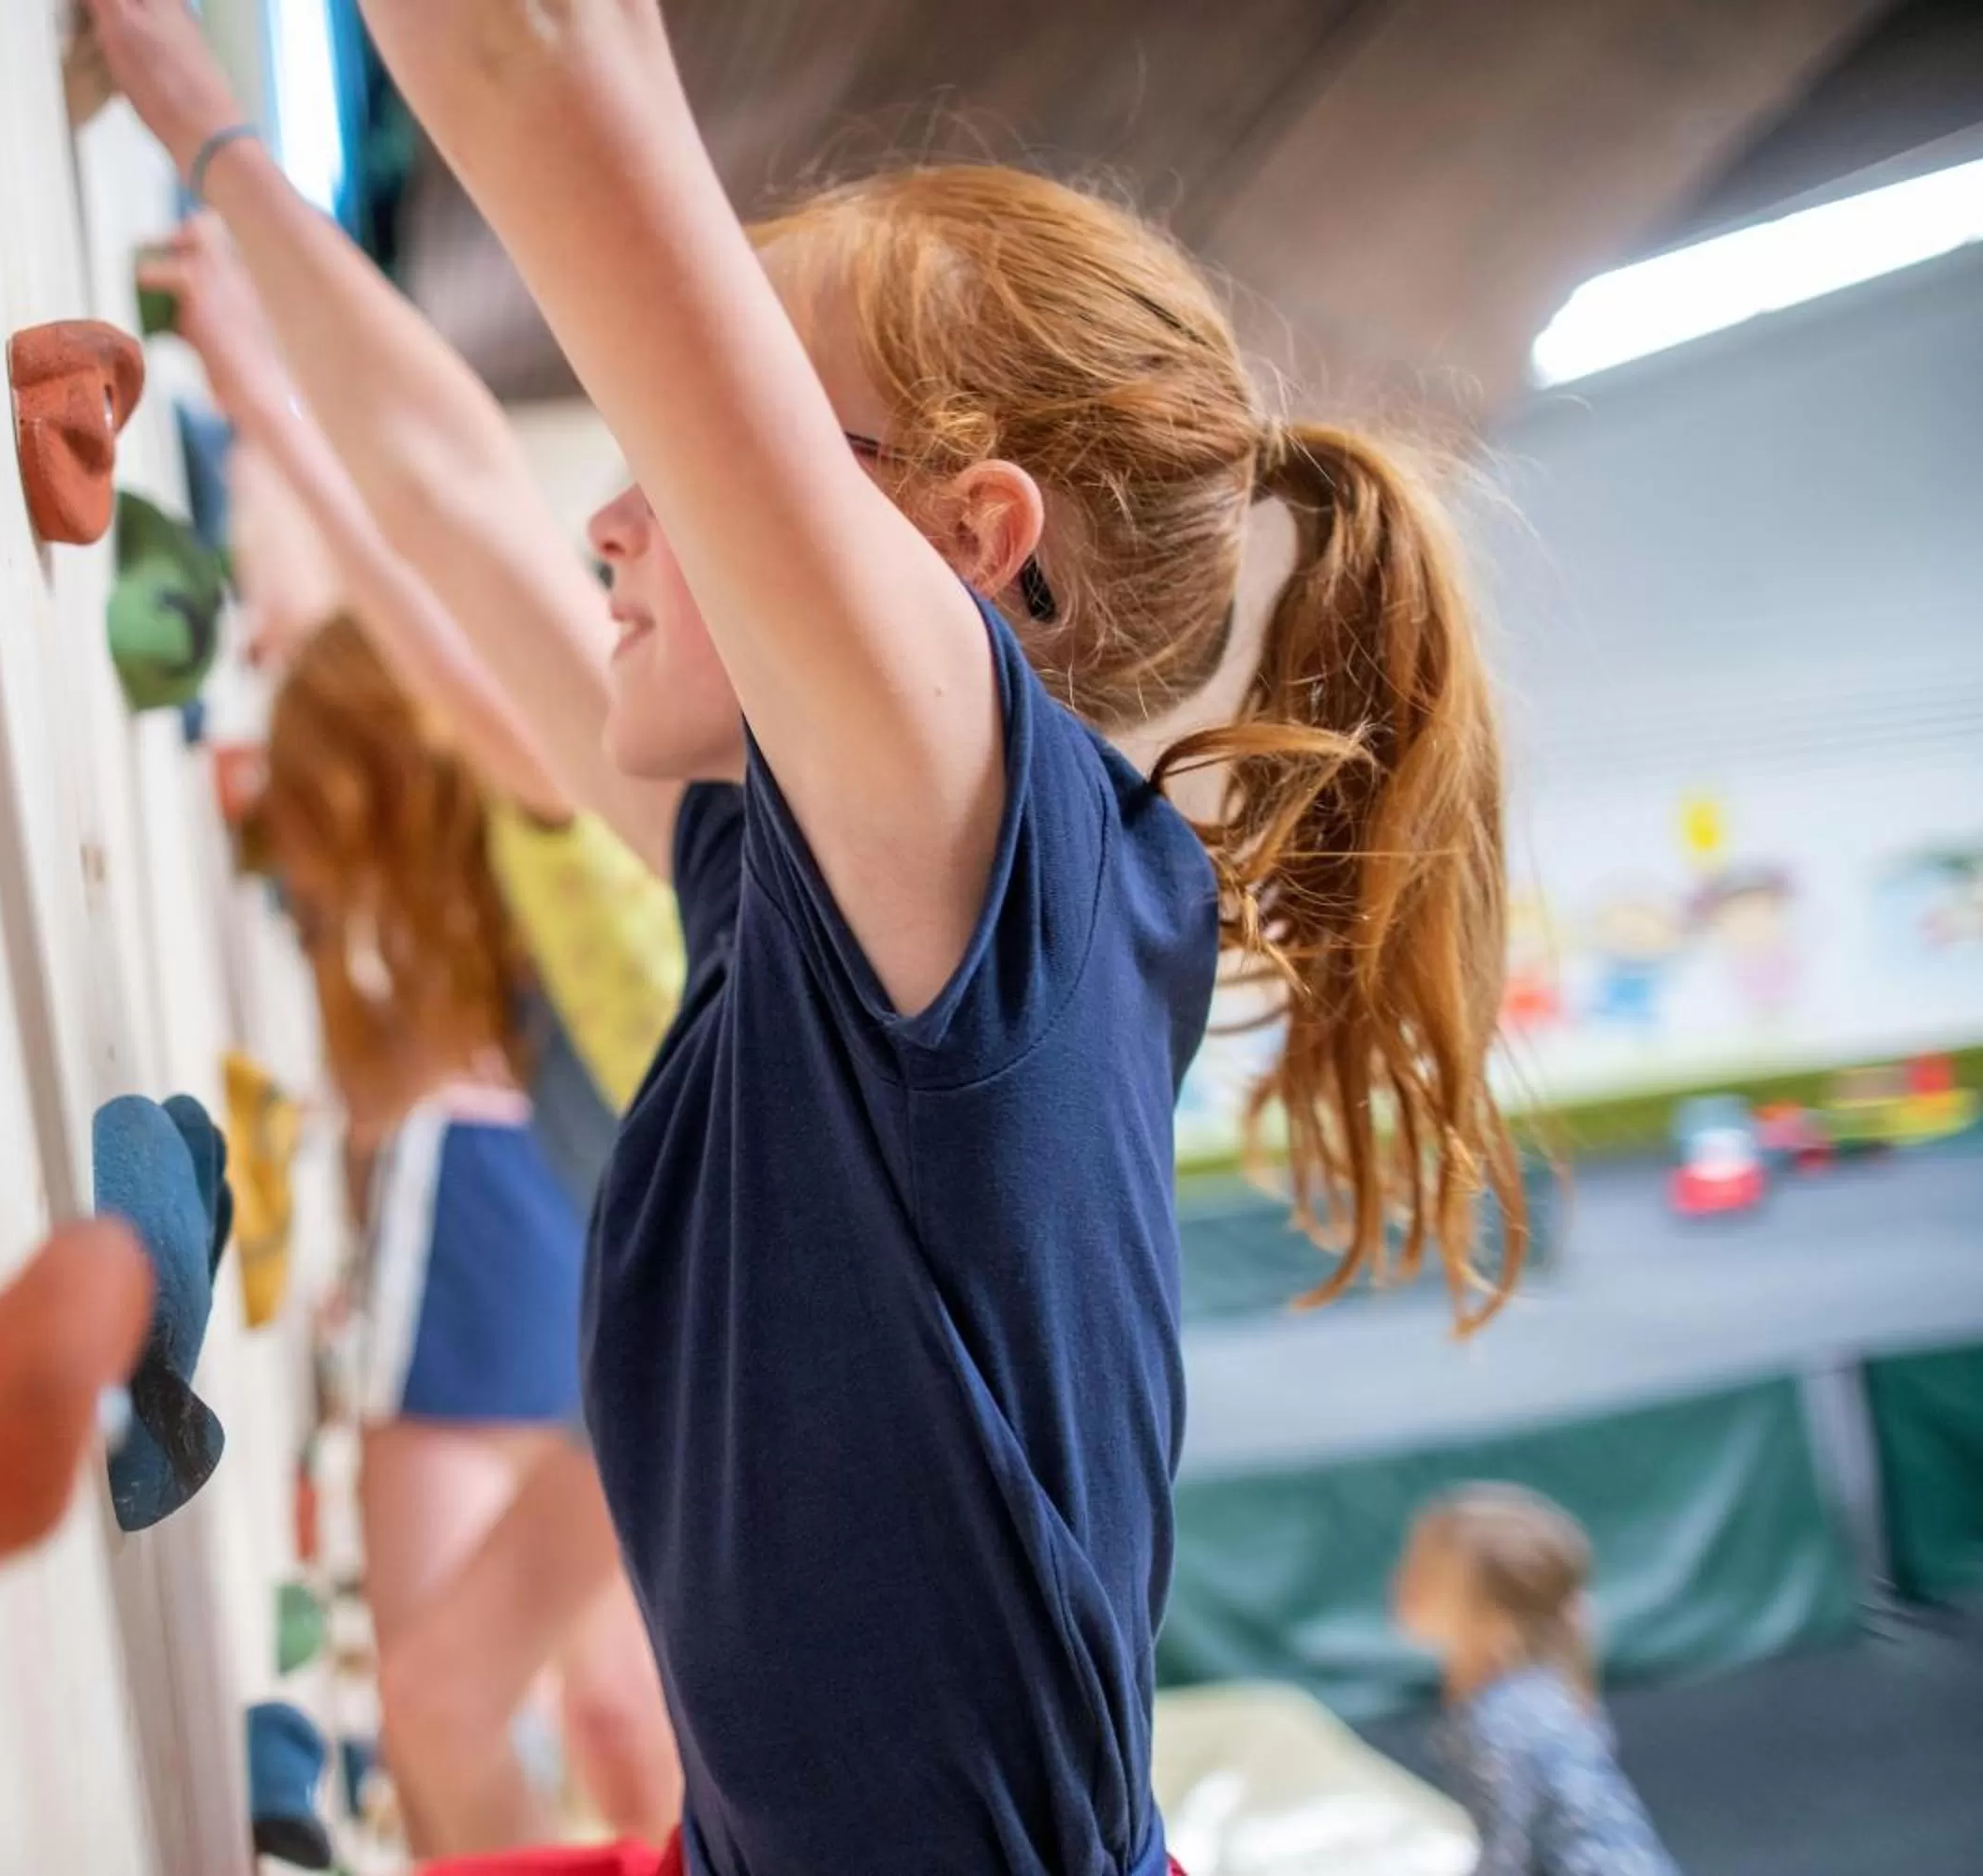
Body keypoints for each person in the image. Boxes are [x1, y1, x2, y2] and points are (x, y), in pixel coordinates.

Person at [88, 3, 1528, 1870]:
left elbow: (544, 70)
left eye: (697, 459)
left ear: (968, 545)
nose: (612, 515)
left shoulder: (978, 833)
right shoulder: (839, 900)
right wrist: (215, 139)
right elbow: (458, 504)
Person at [243, 618, 681, 1855]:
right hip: (674, 1384)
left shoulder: (570, 889)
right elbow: (381, 1071)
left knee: (452, 1702)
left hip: (711, 1380)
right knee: (521, 1706)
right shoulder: (509, 964)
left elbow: (449, 546)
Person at [1396, 1487, 1680, 1876]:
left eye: (1425, 1575)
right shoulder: (1528, 1689)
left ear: (1493, 1616)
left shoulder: (1502, 1721)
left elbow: (1507, 1852)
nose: (1402, 1584)